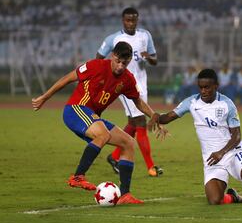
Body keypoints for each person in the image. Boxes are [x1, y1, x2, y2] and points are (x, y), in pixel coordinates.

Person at [32, 41, 161, 204]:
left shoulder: (127, 79)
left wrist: (154, 114)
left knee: (128, 142)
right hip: (75, 109)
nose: (121, 66)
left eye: (125, 63)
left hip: (93, 117)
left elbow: (138, 101)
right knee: (103, 134)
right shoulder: (95, 66)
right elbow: (67, 78)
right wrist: (45, 97)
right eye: (118, 61)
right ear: (112, 56)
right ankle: (78, 177)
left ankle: (125, 195)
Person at [149, 69, 242, 205]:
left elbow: (237, 136)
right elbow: (166, 118)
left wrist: (221, 153)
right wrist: (155, 116)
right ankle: (234, 197)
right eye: (200, 87)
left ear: (216, 86)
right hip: (211, 158)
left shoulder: (227, 104)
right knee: (214, 200)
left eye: (207, 87)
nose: (203, 91)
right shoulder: (192, 102)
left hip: (232, 151)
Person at [96, 7, 163, 177]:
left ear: (137, 20)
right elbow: (98, 58)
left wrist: (149, 57)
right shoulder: (114, 39)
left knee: (134, 123)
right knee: (140, 121)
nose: (131, 23)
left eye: (134, 20)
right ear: (123, 20)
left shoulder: (145, 36)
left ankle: (114, 156)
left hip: (142, 82)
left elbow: (154, 61)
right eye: (128, 20)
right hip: (124, 85)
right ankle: (151, 167)